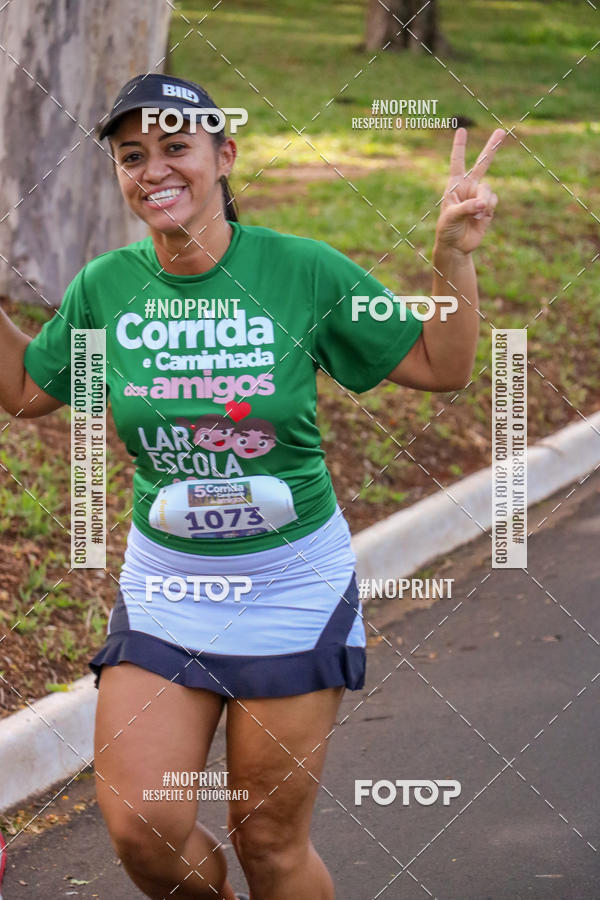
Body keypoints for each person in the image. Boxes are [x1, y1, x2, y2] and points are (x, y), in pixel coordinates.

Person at [0, 73, 503, 899]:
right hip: (167, 584)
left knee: (267, 839)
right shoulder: (106, 288)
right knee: (140, 827)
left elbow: (439, 366)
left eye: (174, 147)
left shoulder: (303, 273)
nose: (153, 169)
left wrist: (452, 255)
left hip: (289, 588)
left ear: (223, 156)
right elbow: (26, 390)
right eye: (133, 156)